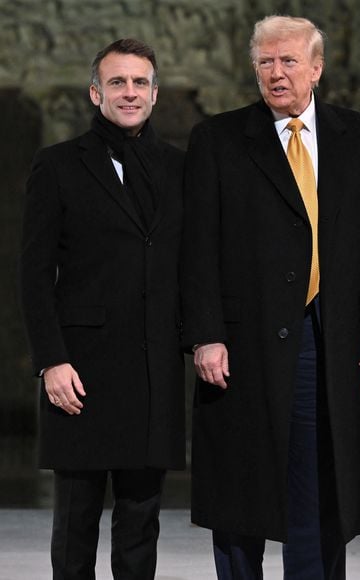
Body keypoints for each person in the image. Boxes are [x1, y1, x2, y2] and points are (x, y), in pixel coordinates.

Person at [181, 15, 360, 580]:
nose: (276, 73)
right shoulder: (218, 140)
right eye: (265, 63)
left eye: (289, 61)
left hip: (328, 338)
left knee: (320, 490)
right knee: (241, 491)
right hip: (242, 346)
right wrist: (205, 334)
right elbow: (197, 249)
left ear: (316, 69)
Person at [19, 38, 185, 580]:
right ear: (96, 93)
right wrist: (51, 361)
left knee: (142, 522)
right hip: (80, 371)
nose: (130, 92)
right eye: (118, 82)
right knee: (76, 523)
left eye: (140, 82)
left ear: (155, 94)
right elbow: (34, 274)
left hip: (151, 369)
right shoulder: (59, 165)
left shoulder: (179, 169)